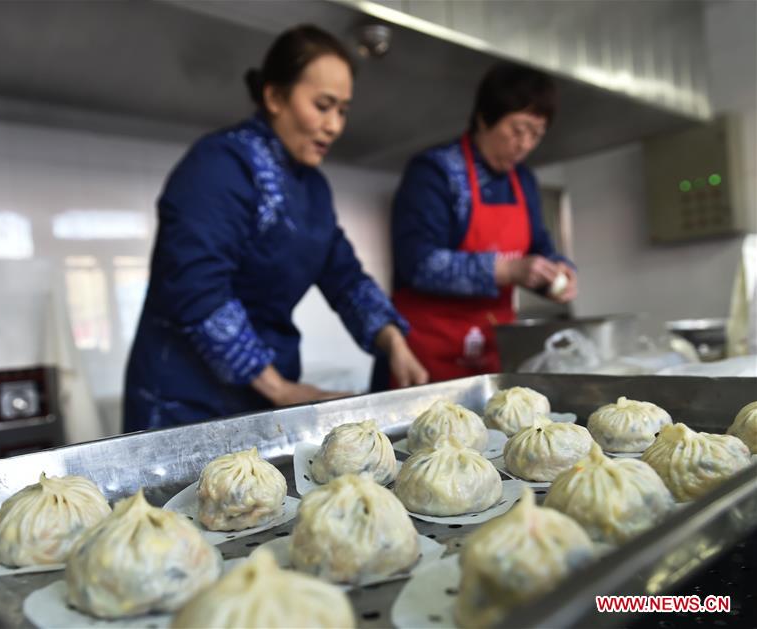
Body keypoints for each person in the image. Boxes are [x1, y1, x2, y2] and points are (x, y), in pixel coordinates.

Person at [124, 25, 428, 431]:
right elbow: (197, 288)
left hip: (261, 399)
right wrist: (280, 389)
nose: (335, 125)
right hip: (187, 404)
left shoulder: (312, 188)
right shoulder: (219, 165)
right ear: (274, 96)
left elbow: (345, 277)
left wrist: (394, 343)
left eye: (342, 110)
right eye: (323, 105)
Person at [381, 62, 577, 384]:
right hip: (425, 355)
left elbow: (539, 244)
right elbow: (417, 263)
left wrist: (557, 270)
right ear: (485, 117)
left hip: (490, 350)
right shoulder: (434, 172)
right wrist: (507, 270)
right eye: (518, 129)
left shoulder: (524, 180)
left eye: (536, 134)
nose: (525, 144)